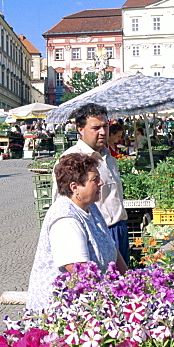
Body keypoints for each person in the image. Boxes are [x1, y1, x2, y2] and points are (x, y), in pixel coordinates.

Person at [27, 154, 127, 311]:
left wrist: (129, 282)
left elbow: (111, 246)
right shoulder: (65, 219)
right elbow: (81, 273)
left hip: (90, 301)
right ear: (75, 187)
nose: (101, 183)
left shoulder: (90, 207)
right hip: (61, 312)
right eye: (95, 180)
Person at [54, 104, 129, 264]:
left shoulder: (109, 156)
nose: (103, 132)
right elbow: (62, 206)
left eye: (105, 126)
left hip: (119, 228)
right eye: (96, 128)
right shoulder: (72, 160)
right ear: (80, 129)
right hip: (96, 234)